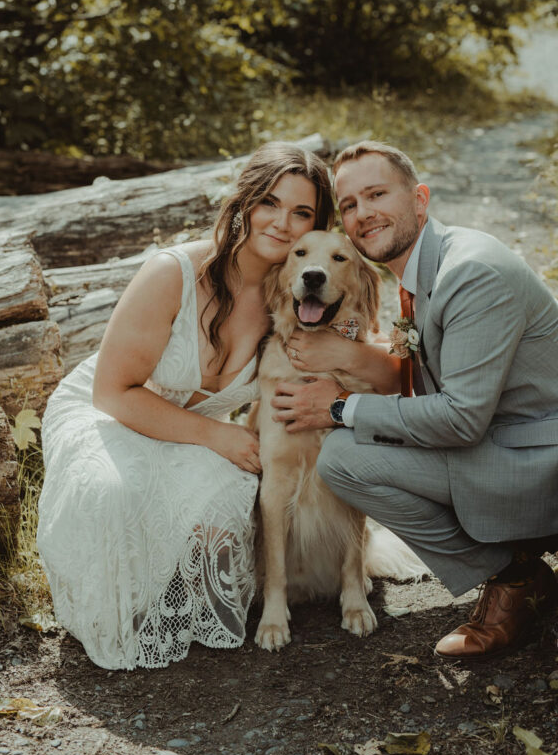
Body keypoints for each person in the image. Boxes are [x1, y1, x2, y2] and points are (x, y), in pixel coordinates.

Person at [271, 140, 558, 662]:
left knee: (344, 458)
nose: (362, 214)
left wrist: (337, 407)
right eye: (350, 204)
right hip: (513, 434)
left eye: (377, 194)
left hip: (553, 461)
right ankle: (514, 569)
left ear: (419, 199)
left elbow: (462, 419)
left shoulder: (471, 272)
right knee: (358, 443)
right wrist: (353, 350)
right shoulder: (425, 267)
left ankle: (515, 580)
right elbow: (426, 371)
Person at [37, 142, 335, 670]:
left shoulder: (297, 293)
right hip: (108, 411)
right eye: (270, 202)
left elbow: (353, 346)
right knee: (111, 495)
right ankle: (122, 601)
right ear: (245, 202)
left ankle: (171, 596)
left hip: (191, 429)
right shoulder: (172, 271)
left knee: (231, 508)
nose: (283, 223)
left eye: (302, 212)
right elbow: (112, 392)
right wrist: (217, 436)